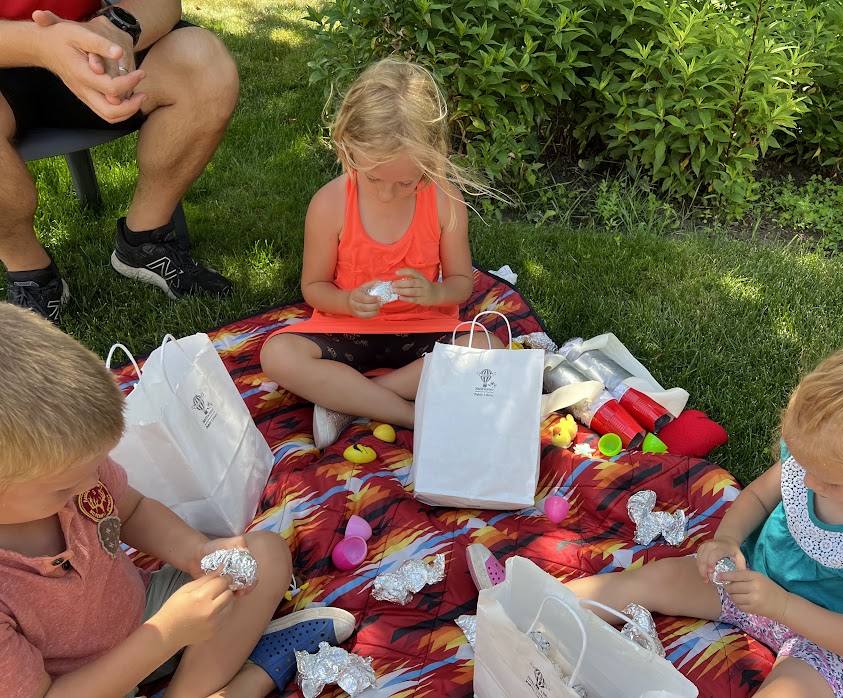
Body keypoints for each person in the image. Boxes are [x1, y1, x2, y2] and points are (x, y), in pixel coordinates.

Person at [0, 303, 356, 698]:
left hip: (146, 609)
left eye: (97, 464)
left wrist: (197, 552)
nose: (90, 483)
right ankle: (251, 678)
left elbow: (132, 509)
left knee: (265, 554)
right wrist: (166, 634)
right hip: (83, 685)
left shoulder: (69, 471)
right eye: (63, 487)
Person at [566, 322, 843, 697]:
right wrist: (727, 539)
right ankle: (531, 609)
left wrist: (783, 606)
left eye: (832, 483)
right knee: (651, 580)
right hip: (750, 582)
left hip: (829, 643)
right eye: (803, 466)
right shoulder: (819, 460)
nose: (808, 484)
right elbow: (757, 497)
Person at [260, 57, 501, 449]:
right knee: (278, 354)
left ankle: (349, 401)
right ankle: (409, 413)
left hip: (421, 331)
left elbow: (461, 285)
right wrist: (348, 301)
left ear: (433, 158)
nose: (388, 193)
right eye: (374, 178)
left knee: (488, 348)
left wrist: (435, 293)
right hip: (347, 330)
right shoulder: (330, 203)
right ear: (346, 145)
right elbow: (314, 287)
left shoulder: (444, 200)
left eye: (406, 182)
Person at [1, 0, 238, 324]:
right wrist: (41, 44)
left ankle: (144, 241)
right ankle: (30, 274)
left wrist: (116, 27)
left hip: (96, 46)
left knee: (202, 61)